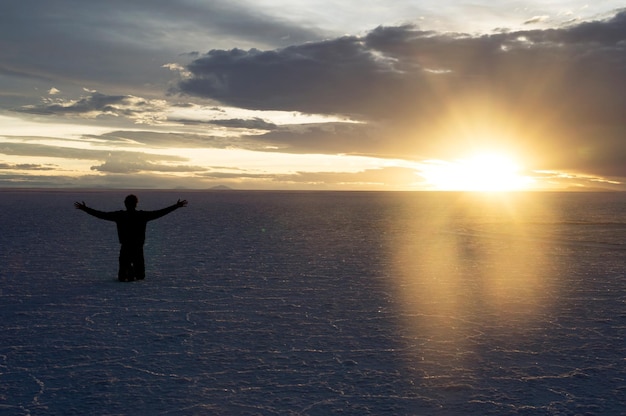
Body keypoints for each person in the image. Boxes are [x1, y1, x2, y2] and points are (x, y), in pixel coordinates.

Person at [75, 195, 188, 281]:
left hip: (127, 247)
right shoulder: (141, 216)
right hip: (137, 247)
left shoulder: (120, 215)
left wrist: (85, 209)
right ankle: (130, 271)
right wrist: (176, 206)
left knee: (127, 277)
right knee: (138, 276)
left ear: (125, 204)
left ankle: (130, 271)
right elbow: (160, 213)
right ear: (136, 204)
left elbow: (101, 214)